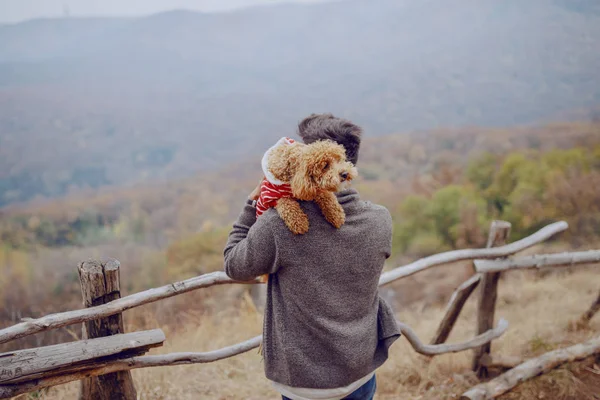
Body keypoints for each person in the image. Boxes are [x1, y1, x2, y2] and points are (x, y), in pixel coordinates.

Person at [224, 113, 400, 400]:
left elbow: (234, 264)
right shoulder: (380, 220)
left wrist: (252, 203)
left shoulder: (278, 226)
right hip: (361, 370)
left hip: (305, 383)